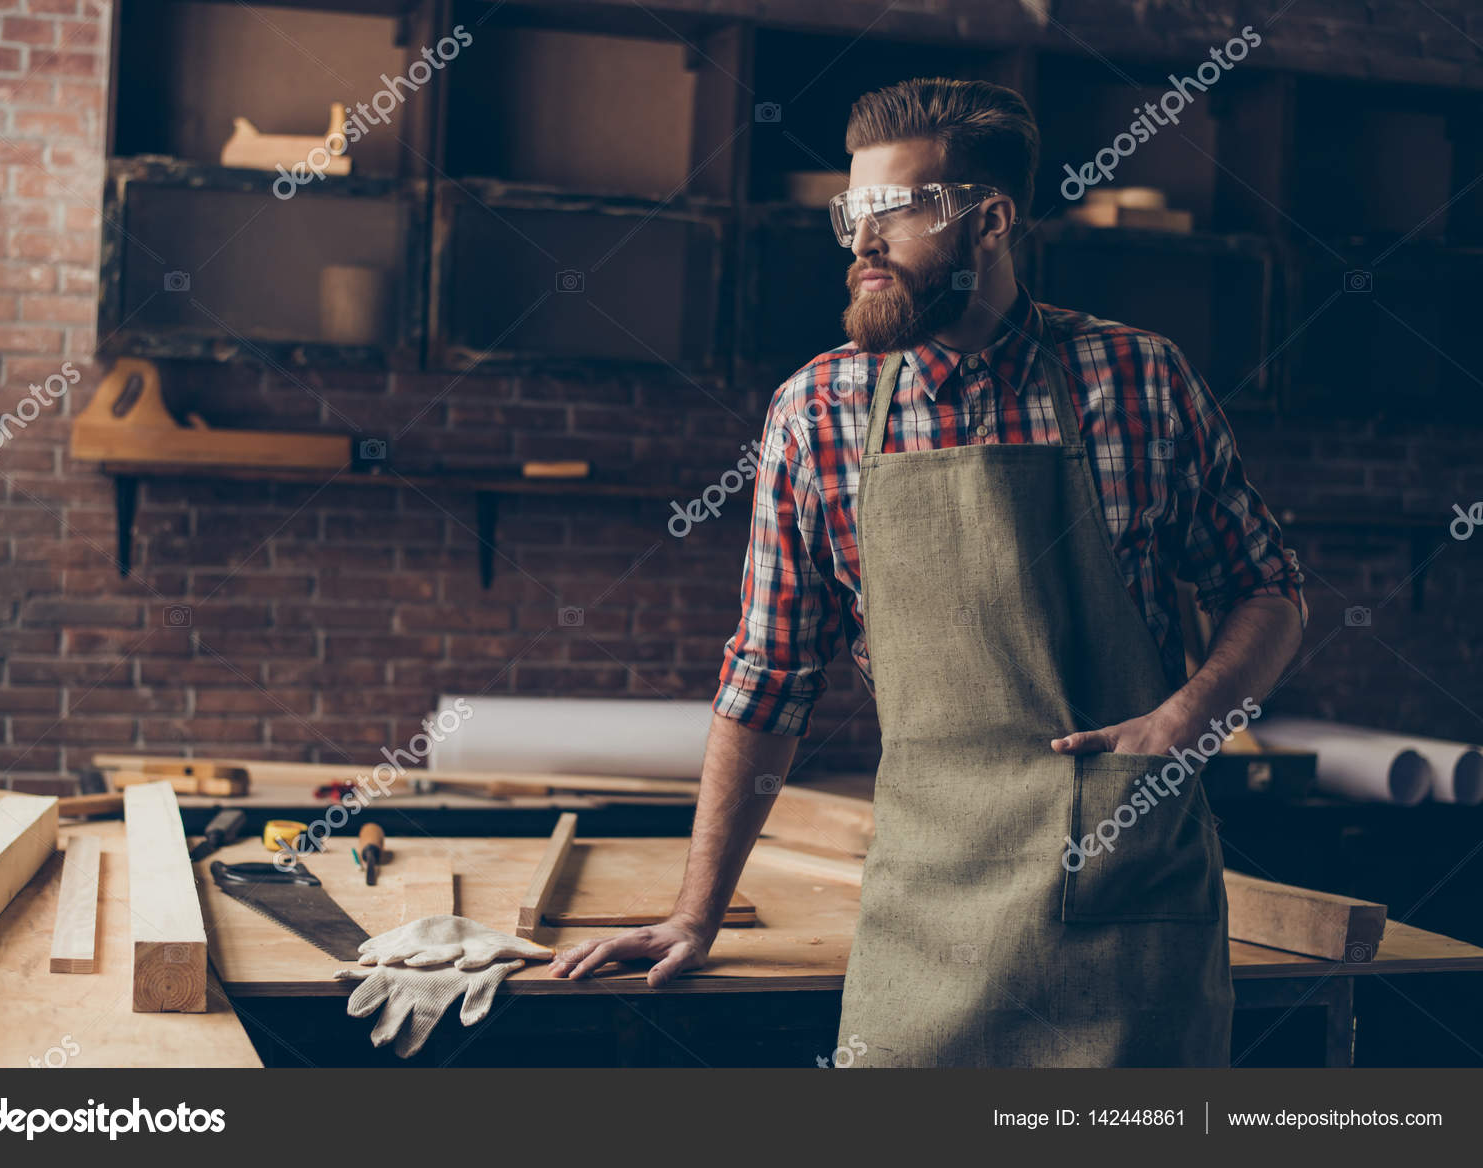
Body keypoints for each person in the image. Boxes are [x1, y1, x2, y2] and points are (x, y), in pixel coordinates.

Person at [548, 77, 1307, 1068]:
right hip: (927, 912)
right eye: (852, 211)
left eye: (896, 210)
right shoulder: (815, 413)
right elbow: (768, 678)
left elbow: (1266, 587)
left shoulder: (1140, 379)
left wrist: (1184, 721)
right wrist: (695, 913)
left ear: (989, 220)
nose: (862, 241)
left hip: (1127, 905)